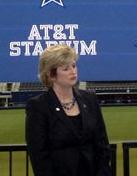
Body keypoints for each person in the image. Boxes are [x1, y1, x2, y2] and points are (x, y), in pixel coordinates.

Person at [25, 44, 111, 176]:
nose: (73, 71)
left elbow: (102, 144)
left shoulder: (90, 99)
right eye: (66, 68)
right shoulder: (38, 106)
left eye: (74, 66)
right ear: (51, 74)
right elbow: (39, 156)